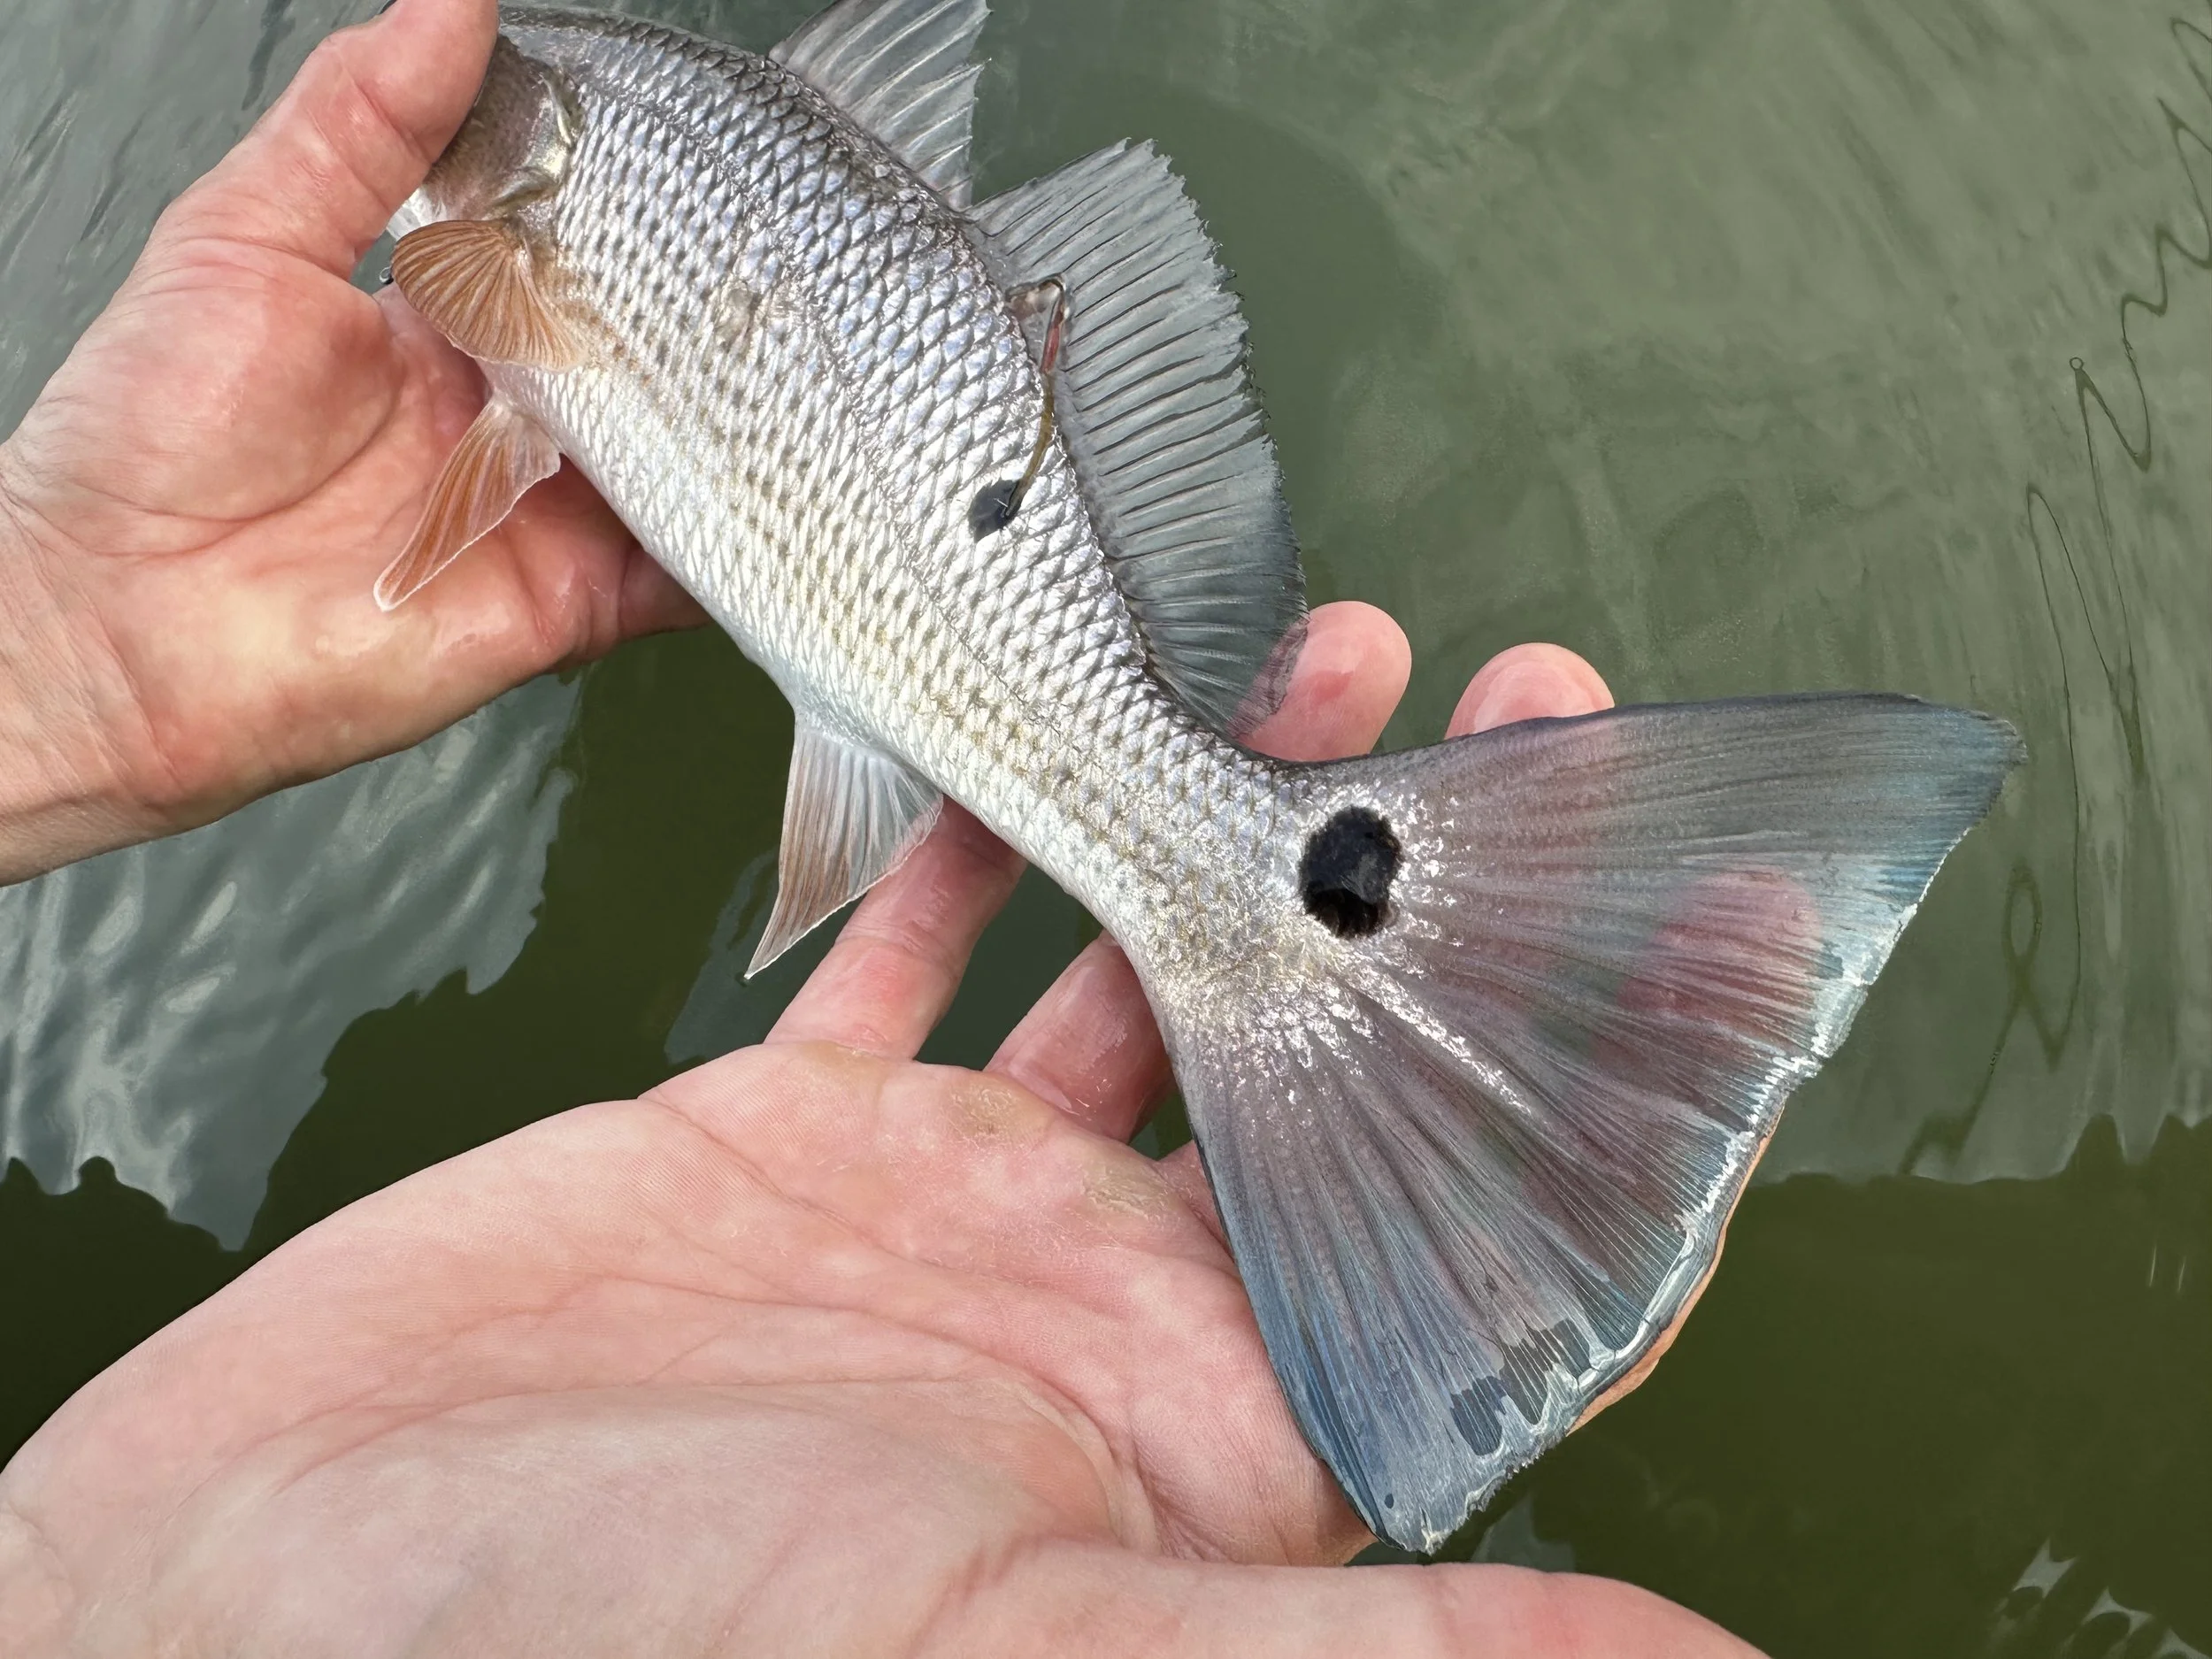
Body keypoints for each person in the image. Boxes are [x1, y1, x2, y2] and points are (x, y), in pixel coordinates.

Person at [0, 1, 1757, 1650]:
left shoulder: (486, 225)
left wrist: (76, 643)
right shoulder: (553, 182)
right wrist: (72, 643)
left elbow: (468, 287)